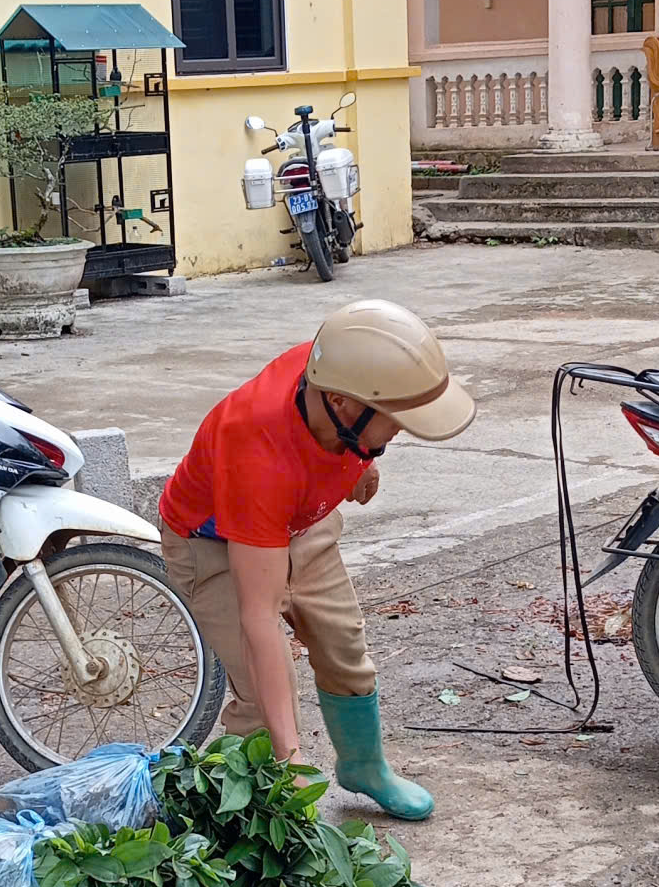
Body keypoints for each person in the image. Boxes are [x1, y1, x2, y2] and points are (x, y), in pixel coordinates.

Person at [158, 300, 475, 820]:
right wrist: (293, 759)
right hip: (212, 540)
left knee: (343, 643)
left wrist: (361, 463)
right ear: (344, 406)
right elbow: (259, 616)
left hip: (297, 519)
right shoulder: (257, 447)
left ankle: (364, 767)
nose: (401, 431)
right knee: (264, 697)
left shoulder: (343, 369)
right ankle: (263, 813)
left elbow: (351, 438)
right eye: (396, 421)